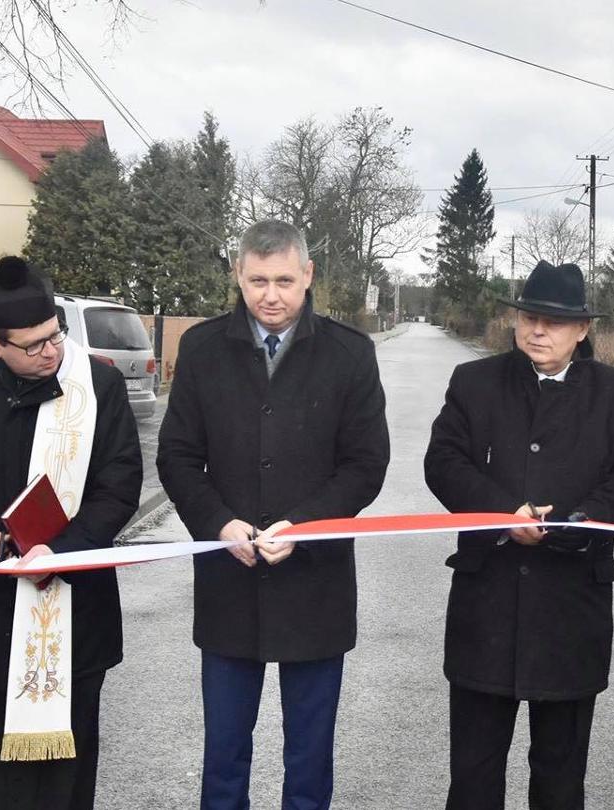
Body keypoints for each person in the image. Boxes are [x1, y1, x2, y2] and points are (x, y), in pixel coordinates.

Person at [158, 219, 390, 810]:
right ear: (238, 275)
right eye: (257, 280)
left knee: (309, 756)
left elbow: (365, 465)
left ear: (308, 276)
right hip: (228, 579)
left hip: (315, 584)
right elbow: (178, 457)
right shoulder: (204, 348)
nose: (271, 294)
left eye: (284, 279)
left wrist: (305, 526)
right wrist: (217, 523)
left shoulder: (350, 353)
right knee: (225, 753)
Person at [0, 256, 145, 809]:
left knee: (63, 773)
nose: (52, 352)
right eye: (34, 345)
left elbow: (119, 487)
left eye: (55, 336)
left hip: (72, 607)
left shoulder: (99, 384)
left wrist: (59, 549)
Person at [424, 260, 614, 810]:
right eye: (529, 317)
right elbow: (444, 462)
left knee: (560, 776)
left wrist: (575, 526)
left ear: (582, 330)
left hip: (572, 611)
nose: (538, 330)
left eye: (553, 321)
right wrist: (505, 512)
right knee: (475, 775)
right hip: (488, 606)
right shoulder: (475, 383)